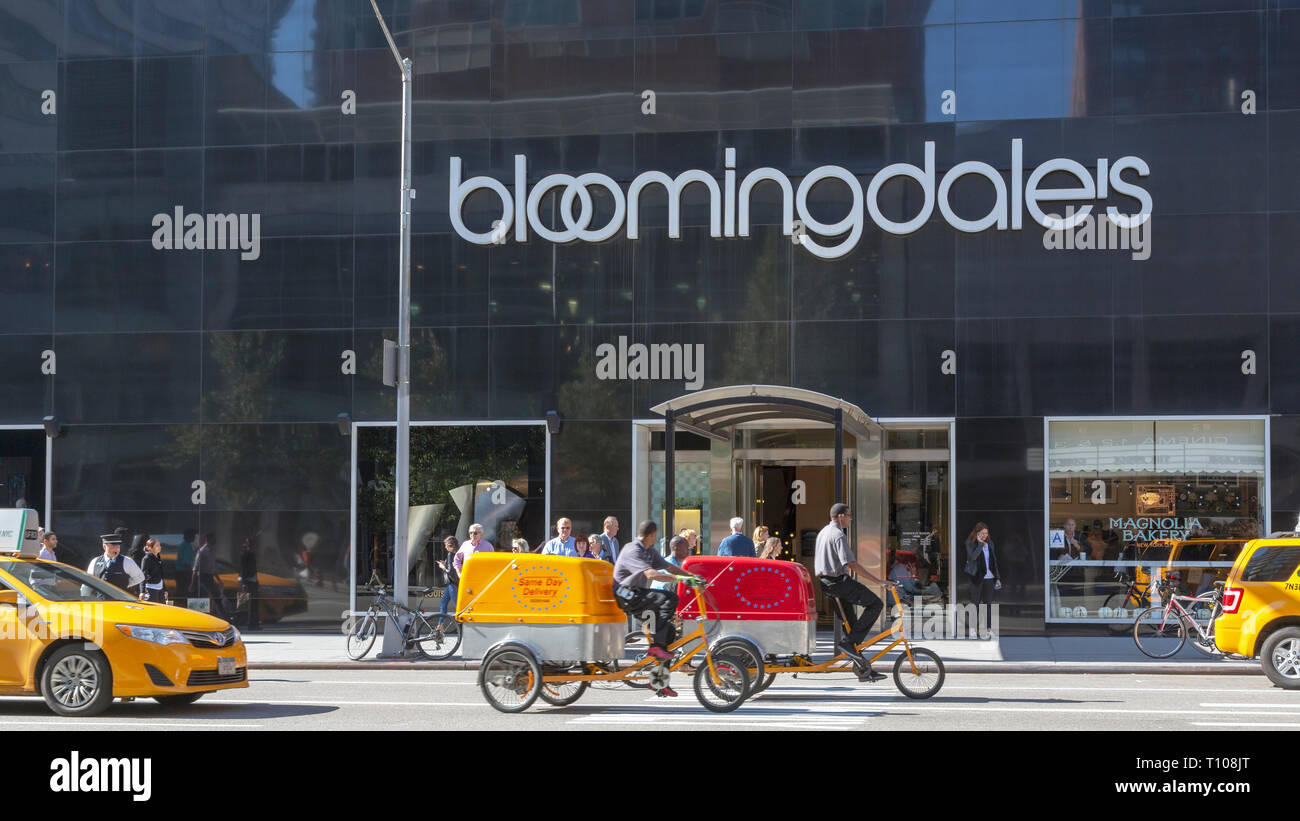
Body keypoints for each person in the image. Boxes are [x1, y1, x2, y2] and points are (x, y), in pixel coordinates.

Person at [612, 521, 698, 698]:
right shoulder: (633, 550)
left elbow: (669, 566)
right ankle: (656, 646)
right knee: (670, 598)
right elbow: (651, 574)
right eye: (655, 535)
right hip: (625, 594)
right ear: (651, 535)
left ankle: (659, 683)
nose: (656, 538)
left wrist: (692, 576)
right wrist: (680, 580)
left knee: (669, 632)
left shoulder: (649, 551)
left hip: (638, 593)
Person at [814, 504, 889, 682]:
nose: (851, 518)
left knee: (852, 626)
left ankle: (864, 669)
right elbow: (852, 564)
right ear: (840, 516)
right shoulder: (839, 535)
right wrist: (879, 582)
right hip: (838, 582)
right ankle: (849, 644)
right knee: (876, 604)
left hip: (827, 583)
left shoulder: (823, 532)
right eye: (849, 515)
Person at [964, 522, 1001, 637]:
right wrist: (980, 545)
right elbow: (972, 557)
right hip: (976, 576)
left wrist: (997, 578)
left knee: (988, 604)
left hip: (989, 577)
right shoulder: (970, 543)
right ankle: (972, 629)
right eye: (982, 533)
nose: (985, 535)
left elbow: (994, 561)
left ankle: (988, 629)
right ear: (977, 533)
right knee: (975, 603)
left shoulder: (990, 543)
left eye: (986, 533)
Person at [191, 532, 227, 617]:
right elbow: (195, 569)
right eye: (213, 539)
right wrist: (192, 583)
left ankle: (223, 616)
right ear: (208, 539)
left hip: (209, 577)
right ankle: (202, 617)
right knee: (204, 597)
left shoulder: (212, 551)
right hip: (203, 577)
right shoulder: (202, 551)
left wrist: (219, 580)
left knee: (216, 596)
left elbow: (213, 567)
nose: (215, 540)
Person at [238, 537, 260, 629]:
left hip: (251, 580)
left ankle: (252, 624)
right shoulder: (246, 553)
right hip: (247, 580)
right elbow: (243, 568)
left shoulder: (249, 553)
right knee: (246, 603)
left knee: (251, 603)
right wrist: (243, 582)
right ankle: (247, 623)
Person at [437, 535, 461, 616]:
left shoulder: (450, 554)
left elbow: (450, 571)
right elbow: (454, 568)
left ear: (450, 545)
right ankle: (440, 625)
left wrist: (443, 567)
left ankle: (462, 626)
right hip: (454, 583)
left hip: (453, 584)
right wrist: (446, 563)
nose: (445, 547)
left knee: (458, 607)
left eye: (446, 545)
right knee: (443, 603)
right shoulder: (459, 553)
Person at [140, 537, 166, 604]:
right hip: (151, 588)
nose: (159, 547)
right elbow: (143, 575)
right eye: (157, 545)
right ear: (149, 548)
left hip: (160, 588)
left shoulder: (158, 557)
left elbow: (161, 575)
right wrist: (142, 591)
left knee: (162, 609)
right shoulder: (146, 559)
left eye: (159, 545)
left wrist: (165, 589)